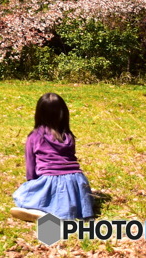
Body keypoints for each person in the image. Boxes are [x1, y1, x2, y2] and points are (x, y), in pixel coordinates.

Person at [10, 93, 95, 222]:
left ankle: (41, 211)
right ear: (64, 114)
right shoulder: (68, 136)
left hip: (49, 179)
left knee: (23, 194)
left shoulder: (34, 136)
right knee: (71, 198)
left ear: (38, 113)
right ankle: (69, 211)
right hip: (78, 181)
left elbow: (30, 169)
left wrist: (32, 184)